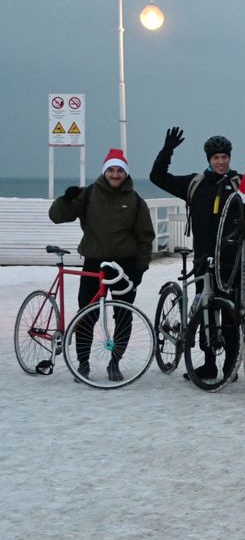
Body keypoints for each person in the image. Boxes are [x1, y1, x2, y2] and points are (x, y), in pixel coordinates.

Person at [150, 118, 245, 380]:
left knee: (232, 313)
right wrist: (167, 150)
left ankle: (229, 365)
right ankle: (209, 363)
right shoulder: (194, 184)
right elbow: (158, 177)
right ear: (209, 159)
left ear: (229, 158)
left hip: (233, 259)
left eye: (224, 157)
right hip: (204, 258)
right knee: (204, 310)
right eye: (216, 158)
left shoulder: (240, 183)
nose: (220, 162)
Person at [49, 148, 155, 381]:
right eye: (111, 170)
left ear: (125, 173)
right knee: (87, 314)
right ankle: (83, 363)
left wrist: (140, 269)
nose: (115, 174)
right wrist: (65, 199)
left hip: (124, 267)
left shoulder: (136, 202)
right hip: (94, 263)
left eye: (119, 170)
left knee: (123, 315)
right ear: (105, 171)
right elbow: (56, 216)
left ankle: (115, 362)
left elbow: (146, 237)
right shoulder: (88, 195)